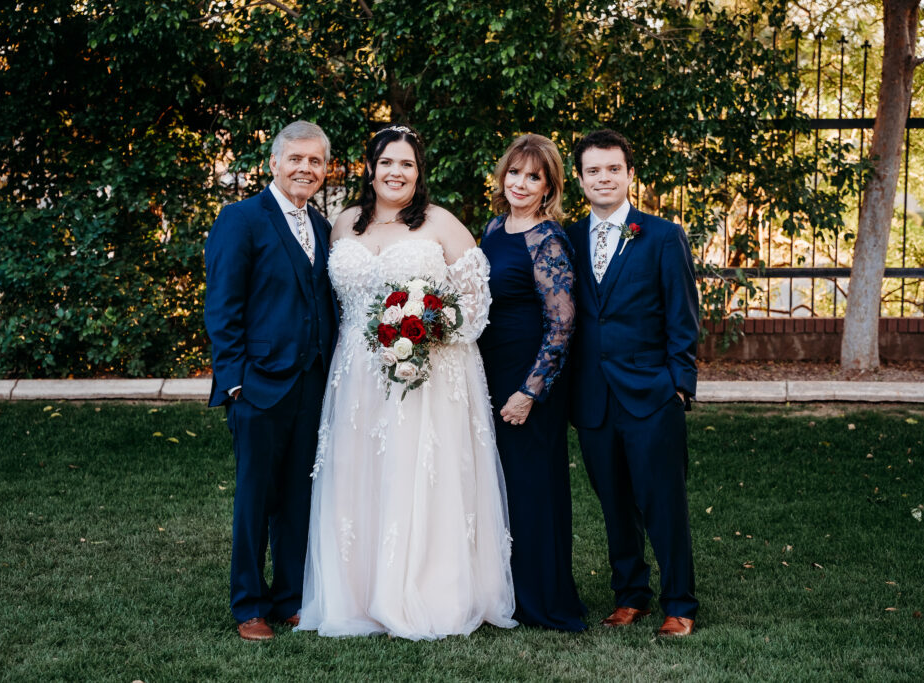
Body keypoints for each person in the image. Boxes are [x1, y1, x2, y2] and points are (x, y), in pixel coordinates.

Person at [296, 125, 517, 640]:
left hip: (427, 373)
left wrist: (427, 329)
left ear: (420, 173)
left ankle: (427, 591)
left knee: (417, 472)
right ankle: (356, 592)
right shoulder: (343, 223)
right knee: (359, 474)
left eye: (408, 164)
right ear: (369, 169)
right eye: (387, 162)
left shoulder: (442, 224)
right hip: (355, 374)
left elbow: (477, 304)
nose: (396, 172)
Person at [204, 120, 338, 641]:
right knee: (255, 500)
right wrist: (234, 381)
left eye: (316, 162)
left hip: (312, 384)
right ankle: (248, 605)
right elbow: (223, 305)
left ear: (325, 171)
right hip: (258, 385)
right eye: (296, 159)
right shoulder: (241, 219)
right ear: (274, 163)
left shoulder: (322, 227)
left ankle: (288, 598)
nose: (305, 169)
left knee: (299, 497)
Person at [565, 129, 700, 637]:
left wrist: (679, 387)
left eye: (613, 169)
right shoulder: (570, 238)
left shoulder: (662, 236)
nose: (604, 178)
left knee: (662, 502)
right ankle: (630, 595)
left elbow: (683, 318)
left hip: (651, 394)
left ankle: (679, 603)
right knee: (614, 502)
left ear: (629, 174)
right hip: (594, 398)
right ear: (580, 179)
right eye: (594, 170)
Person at [478, 134, 586, 631]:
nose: (520, 183)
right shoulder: (495, 228)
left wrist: (529, 391)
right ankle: (505, 592)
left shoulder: (548, 239)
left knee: (532, 486)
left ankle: (544, 599)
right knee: (497, 485)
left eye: (533, 176)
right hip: (490, 369)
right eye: (514, 173)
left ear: (550, 186)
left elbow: (562, 324)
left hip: (529, 377)